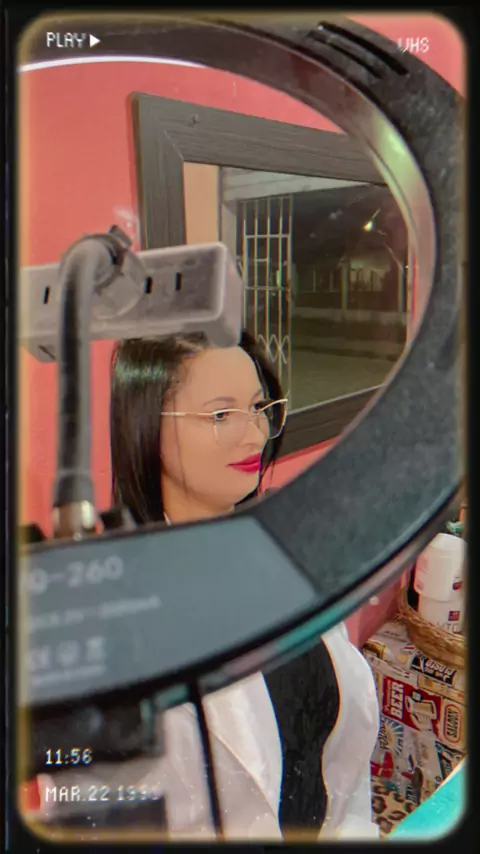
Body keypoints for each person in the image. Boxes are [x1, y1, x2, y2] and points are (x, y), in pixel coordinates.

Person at [34, 330, 379, 840]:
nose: (254, 434)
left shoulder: (288, 554)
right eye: (220, 415)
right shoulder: (106, 620)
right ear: (147, 426)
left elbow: (344, 766)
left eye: (258, 407)